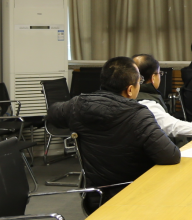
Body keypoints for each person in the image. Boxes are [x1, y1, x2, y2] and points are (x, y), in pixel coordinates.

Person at [47, 56, 181, 202]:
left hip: (95, 197)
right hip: (137, 194)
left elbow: (52, 114)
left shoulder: (77, 105)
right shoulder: (139, 114)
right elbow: (171, 155)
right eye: (139, 82)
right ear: (130, 90)